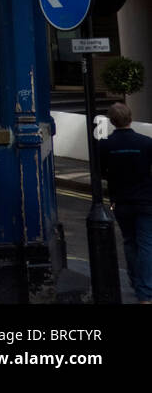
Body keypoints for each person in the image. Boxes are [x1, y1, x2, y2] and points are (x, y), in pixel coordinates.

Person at [97, 102, 152, 303]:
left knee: (129, 242)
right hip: (146, 200)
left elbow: (101, 172)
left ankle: (136, 281)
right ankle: (145, 293)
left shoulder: (105, 145)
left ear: (112, 121)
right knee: (146, 245)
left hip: (121, 201)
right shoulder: (145, 142)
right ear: (131, 118)